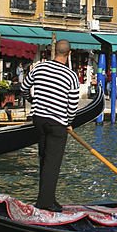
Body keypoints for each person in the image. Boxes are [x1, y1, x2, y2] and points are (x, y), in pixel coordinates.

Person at [20, 39, 81, 211]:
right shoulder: (71, 76)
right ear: (69, 54)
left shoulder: (39, 68)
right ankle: (45, 203)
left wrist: (33, 100)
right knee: (52, 163)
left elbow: (24, 88)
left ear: (55, 52)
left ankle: (48, 199)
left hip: (38, 119)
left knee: (44, 159)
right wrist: (68, 122)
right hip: (57, 123)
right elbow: (73, 104)